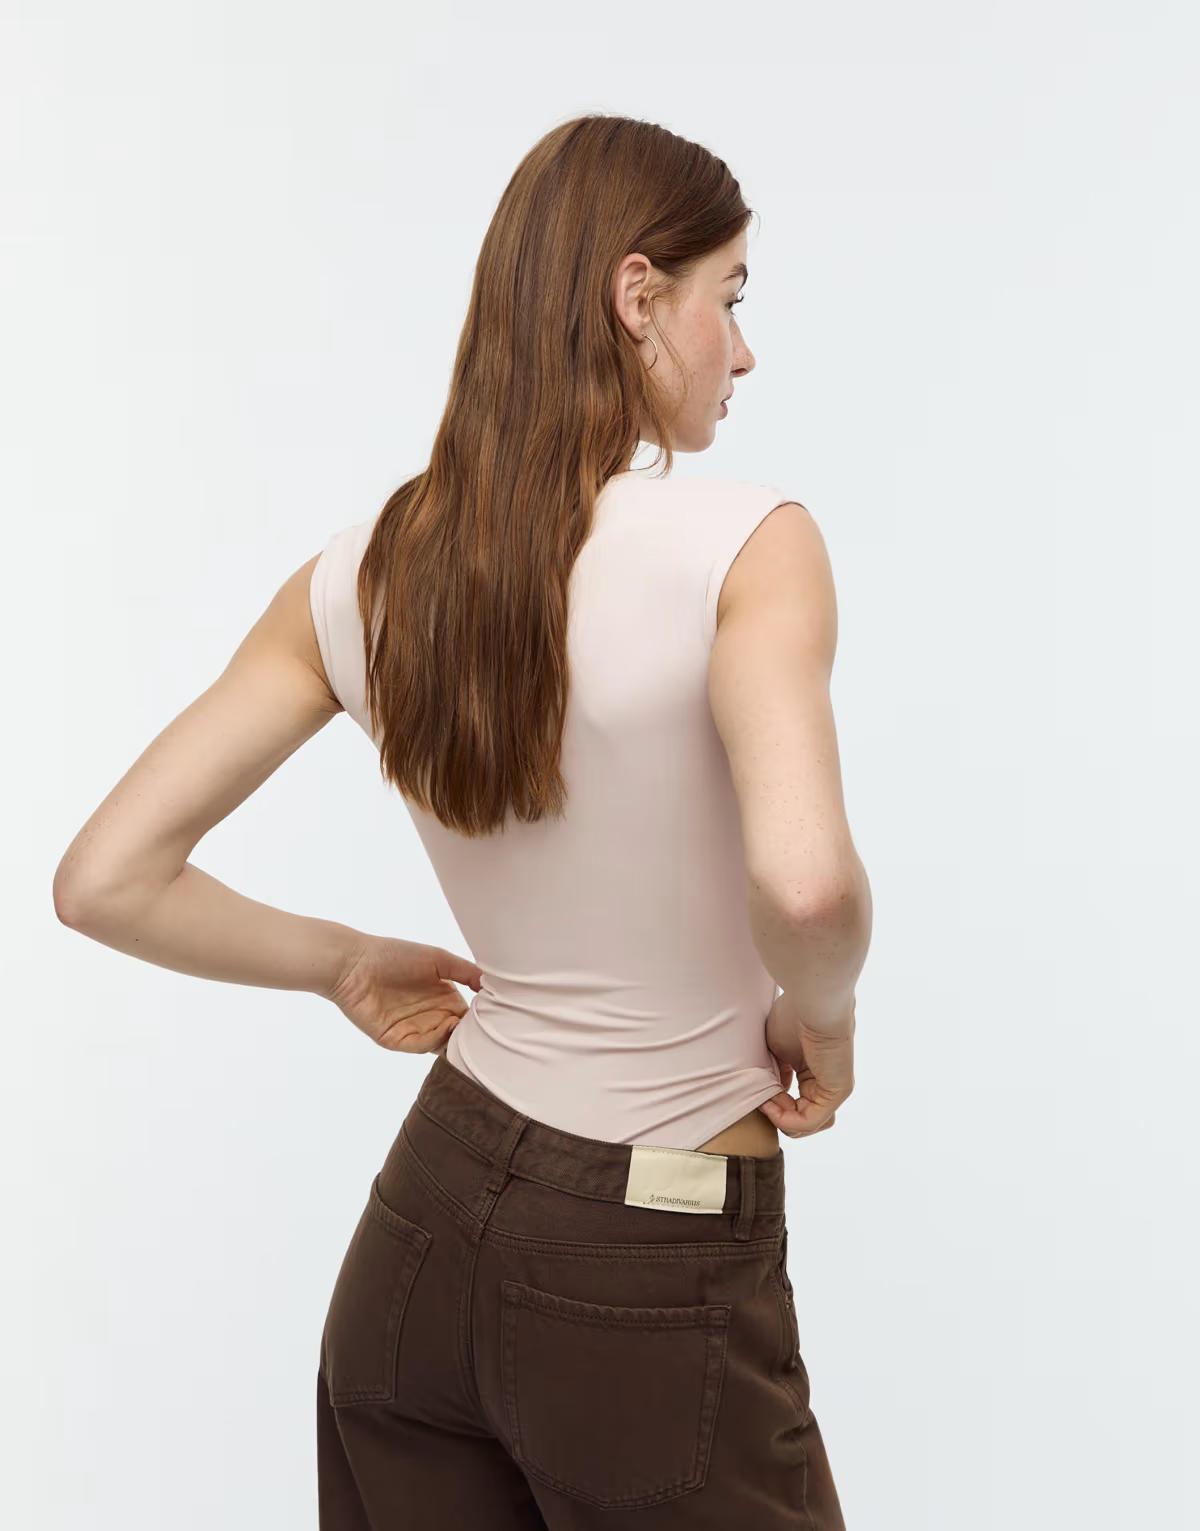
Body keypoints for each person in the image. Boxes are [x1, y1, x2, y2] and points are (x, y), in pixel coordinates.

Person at [54, 112, 872, 1528]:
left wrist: (340, 963)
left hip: (420, 1238)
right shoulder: (750, 546)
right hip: (648, 1254)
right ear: (637, 297)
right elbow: (806, 891)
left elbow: (104, 878)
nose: (740, 352)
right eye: (728, 297)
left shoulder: (363, 573)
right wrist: (828, 1020)